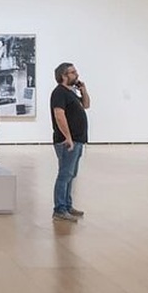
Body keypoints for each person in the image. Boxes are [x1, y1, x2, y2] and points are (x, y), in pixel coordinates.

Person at [50, 62, 90, 222]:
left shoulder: (71, 92)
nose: (77, 74)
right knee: (64, 174)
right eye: (73, 72)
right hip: (67, 141)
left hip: (77, 140)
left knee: (71, 174)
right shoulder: (59, 93)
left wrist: (83, 90)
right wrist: (68, 137)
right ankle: (60, 209)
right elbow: (59, 116)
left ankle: (67, 205)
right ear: (64, 76)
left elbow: (86, 105)